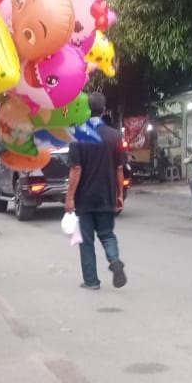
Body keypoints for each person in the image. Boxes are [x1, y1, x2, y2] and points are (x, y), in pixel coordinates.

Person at [65, 92, 127, 290]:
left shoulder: (78, 136)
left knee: (87, 241)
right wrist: (119, 194)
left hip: (84, 198)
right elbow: (119, 169)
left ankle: (91, 281)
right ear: (103, 110)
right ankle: (114, 260)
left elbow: (76, 169)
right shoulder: (114, 136)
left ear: (85, 109)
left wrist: (69, 197)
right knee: (107, 234)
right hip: (106, 194)